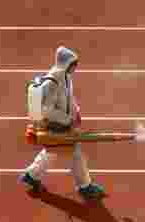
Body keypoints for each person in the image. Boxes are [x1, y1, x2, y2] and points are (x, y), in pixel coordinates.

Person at [19, 47, 106, 200]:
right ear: (67, 63)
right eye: (74, 64)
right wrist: (67, 119)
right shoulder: (52, 82)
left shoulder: (66, 77)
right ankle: (85, 187)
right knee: (75, 154)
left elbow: (69, 98)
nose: (75, 67)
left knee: (53, 151)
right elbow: (46, 109)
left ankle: (31, 175)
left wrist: (76, 111)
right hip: (55, 125)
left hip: (63, 123)